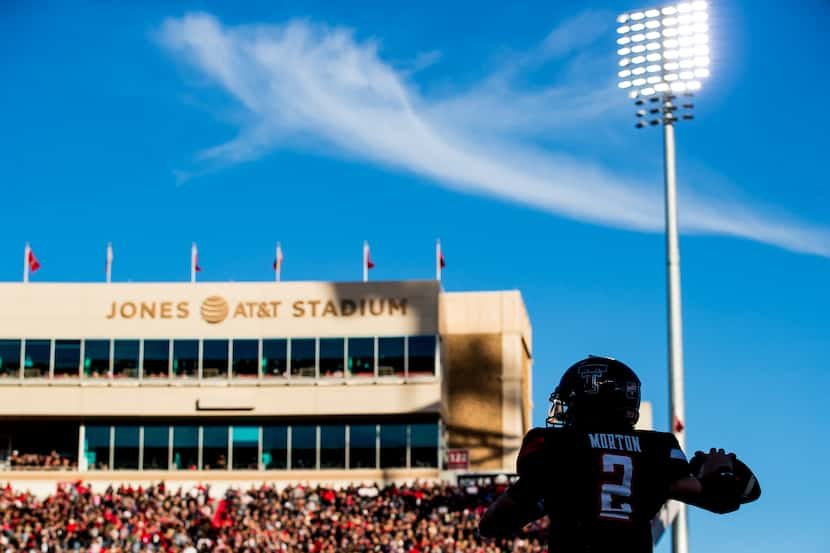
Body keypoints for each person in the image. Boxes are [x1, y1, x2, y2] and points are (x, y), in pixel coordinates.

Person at [479, 355, 760, 552]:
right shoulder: (657, 448)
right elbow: (723, 500)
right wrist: (719, 470)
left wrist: (544, 501)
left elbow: (492, 524)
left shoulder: (556, 444)